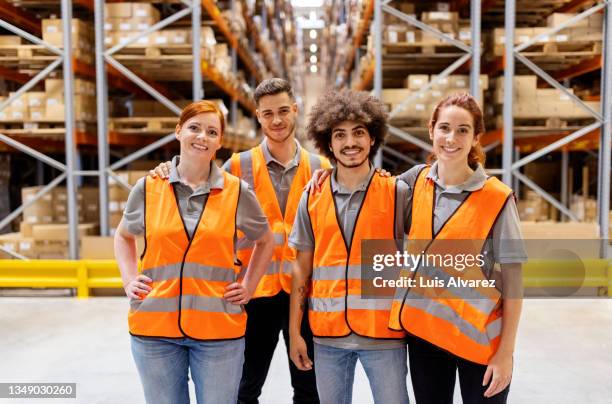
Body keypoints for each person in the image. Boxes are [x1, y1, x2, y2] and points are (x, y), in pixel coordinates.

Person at [308, 92, 525, 403]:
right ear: (431, 130)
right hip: (426, 339)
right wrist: (329, 175)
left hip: (480, 342)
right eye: (445, 128)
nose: (452, 138)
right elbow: (371, 185)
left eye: (463, 130)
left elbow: (515, 281)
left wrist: (506, 353)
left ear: (477, 137)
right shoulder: (415, 182)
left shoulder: (497, 198)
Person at [150, 78, 329, 404]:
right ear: (258, 117)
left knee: (310, 389)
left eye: (284, 111)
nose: (277, 120)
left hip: (305, 294)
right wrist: (168, 167)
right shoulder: (236, 166)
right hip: (252, 294)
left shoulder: (321, 169)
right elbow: (194, 187)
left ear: (296, 111)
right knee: (242, 391)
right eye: (268, 113)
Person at [114, 100, 275, 404]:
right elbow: (123, 236)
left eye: (211, 131)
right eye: (194, 128)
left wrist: (249, 287)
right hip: (155, 331)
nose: (202, 136)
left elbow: (265, 240)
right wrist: (128, 279)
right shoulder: (148, 187)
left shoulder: (237, 191)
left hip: (218, 333)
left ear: (220, 141)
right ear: (179, 132)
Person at [288, 88, 411, 404]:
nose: (350, 142)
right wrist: (295, 333)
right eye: (340, 135)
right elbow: (301, 267)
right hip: (327, 337)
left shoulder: (397, 192)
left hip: (384, 336)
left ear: (373, 138)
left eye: (359, 133)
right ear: (329, 144)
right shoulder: (312, 196)